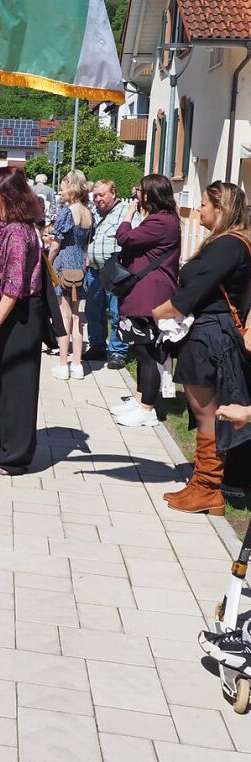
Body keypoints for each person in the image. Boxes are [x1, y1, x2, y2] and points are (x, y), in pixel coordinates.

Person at [153, 182, 251, 514]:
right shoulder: (227, 243)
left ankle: (208, 487)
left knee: (207, 412)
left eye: (204, 204)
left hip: (211, 335)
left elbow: (197, 288)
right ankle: (203, 483)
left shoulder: (228, 245)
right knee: (204, 410)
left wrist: (160, 311)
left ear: (220, 209)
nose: (198, 210)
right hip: (210, 332)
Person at [0, 167, 44, 476]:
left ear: (5, 194)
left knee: (16, 386)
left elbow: (13, 286)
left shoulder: (17, 232)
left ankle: (14, 457)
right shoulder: (2, 225)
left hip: (17, 315)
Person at [113, 174, 181, 428]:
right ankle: (141, 398)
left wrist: (128, 215)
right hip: (147, 291)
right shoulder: (162, 220)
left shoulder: (160, 221)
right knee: (141, 348)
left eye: (140, 192)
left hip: (150, 293)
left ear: (150, 195)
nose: (136, 196)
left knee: (148, 351)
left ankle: (147, 408)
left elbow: (125, 238)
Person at [50, 171, 93, 380]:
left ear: (72, 187)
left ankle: (63, 364)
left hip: (64, 265)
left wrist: (48, 262)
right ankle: (77, 365)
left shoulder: (68, 212)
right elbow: (85, 243)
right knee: (77, 316)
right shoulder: (88, 212)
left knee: (64, 315)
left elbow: (57, 244)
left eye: (62, 188)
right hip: (80, 268)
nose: (60, 193)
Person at [85, 179, 131, 369]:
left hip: (115, 271)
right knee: (93, 310)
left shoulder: (126, 212)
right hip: (94, 271)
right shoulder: (93, 213)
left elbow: (132, 237)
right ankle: (97, 346)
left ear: (114, 193)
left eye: (102, 195)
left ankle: (117, 352)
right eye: (95, 196)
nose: (98, 199)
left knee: (116, 312)